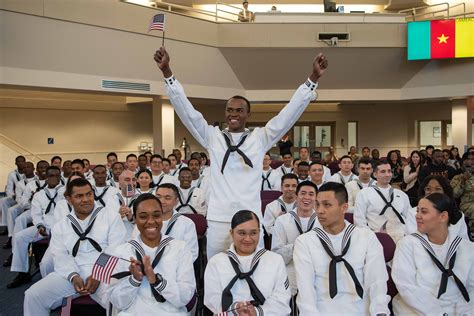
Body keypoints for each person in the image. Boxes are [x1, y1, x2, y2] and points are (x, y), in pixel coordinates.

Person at [154, 45, 327, 258]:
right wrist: (167, 73)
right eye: (229, 110)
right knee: (218, 271)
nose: (233, 114)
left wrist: (312, 80)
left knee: (255, 268)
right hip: (219, 219)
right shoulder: (213, 137)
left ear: (248, 114)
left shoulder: (260, 138)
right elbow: (187, 112)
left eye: (239, 110)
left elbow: (288, 115)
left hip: (250, 217)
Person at [23, 178, 126, 315]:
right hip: (73, 271)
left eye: (89, 194)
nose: (85, 199)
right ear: (69, 199)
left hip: (104, 272)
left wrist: (97, 275)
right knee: (33, 295)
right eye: (79, 196)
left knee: (120, 301)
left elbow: (115, 249)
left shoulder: (111, 216)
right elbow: (60, 256)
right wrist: (73, 276)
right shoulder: (61, 225)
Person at [293, 182, 390, 315]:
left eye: (327, 205)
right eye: (317, 204)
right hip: (323, 310)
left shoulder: (366, 237)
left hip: (361, 309)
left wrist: (380, 312)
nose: (319, 210)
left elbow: (376, 282)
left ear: (344, 208)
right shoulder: (305, 242)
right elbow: (306, 291)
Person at [106, 193, 196, 315]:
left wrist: (156, 281)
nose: (151, 221)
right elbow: (118, 302)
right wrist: (134, 280)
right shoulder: (122, 252)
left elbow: (185, 297)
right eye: (143, 217)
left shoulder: (180, 248)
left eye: (156, 215)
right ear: (135, 219)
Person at [392, 193, 474, 315]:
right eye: (417, 211)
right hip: (418, 308)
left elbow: (471, 288)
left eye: (424, 212)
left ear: (443, 216)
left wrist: (464, 311)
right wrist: (437, 313)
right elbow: (406, 287)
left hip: (458, 307)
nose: (417, 216)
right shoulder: (408, 244)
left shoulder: (466, 247)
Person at [204, 210, 291, 314]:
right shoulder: (216, 262)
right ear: (231, 233)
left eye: (253, 233)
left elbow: (282, 299)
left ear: (259, 232)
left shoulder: (275, 260)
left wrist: (258, 312)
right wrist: (235, 309)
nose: (247, 239)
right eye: (242, 233)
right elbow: (212, 298)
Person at [7, 166, 64, 288]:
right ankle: (22, 272)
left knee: (46, 262)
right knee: (20, 236)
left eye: (57, 176)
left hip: (60, 229)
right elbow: (36, 214)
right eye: (51, 176)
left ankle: (53, 280)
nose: (54, 178)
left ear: (60, 177)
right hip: (44, 226)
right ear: (46, 178)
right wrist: (39, 225)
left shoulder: (65, 192)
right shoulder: (39, 195)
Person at [271, 181, 318, 304]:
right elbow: (276, 255)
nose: (307, 197)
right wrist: (298, 245)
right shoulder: (282, 220)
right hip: (291, 268)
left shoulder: (322, 221)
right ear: (296, 196)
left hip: (317, 269)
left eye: (311, 194)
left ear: (316, 198)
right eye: (303, 193)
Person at [354, 160, 410, 242]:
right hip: (377, 238)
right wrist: (372, 238)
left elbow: (409, 218)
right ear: (375, 174)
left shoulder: (401, 195)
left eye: (389, 171)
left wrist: (408, 236)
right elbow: (359, 221)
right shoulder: (364, 193)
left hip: (402, 237)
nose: (387, 174)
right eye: (383, 172)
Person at [405, 175, 469, 240]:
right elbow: (413, 240)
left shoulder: (457, 215)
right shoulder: (413, 213)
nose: (432, 193)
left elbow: (464, 242)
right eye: (428, 189)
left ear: (445, 192)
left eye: (438, 189)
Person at [154, 183, 199, 262]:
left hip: (176, 268)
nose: (161, 201)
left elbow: (191, 254)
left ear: (176, 201)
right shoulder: (146, 220)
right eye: (158, 197)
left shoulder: (187, 223)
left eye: (167, 198)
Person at [3, 161, 36, 249]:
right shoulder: (20, 183)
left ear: (33, 168)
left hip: (37, 207)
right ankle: (11, 237)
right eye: (24, 167)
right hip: (25, 205)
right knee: (11, 210)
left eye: (28, 167)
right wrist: (28, 202)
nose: (26, 169)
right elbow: (19, 199)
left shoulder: (39, 180)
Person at [0, 155, 25, 235]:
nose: (21, 163)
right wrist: (13, 195)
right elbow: (9, 189)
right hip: (15, 197)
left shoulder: (28, 171)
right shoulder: (12, 174)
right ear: (15, 163)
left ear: (25, 162)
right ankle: (6, 226)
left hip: (25, 198)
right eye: (19, 161)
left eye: (22, 161)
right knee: (3, 200)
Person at [451, 152, 474, 233]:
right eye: (469, 159)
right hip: (467, 204)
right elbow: (454, 194)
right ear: (463, 162)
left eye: (473, 159)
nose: (471, 162)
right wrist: (463, 180)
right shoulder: (458, 178)